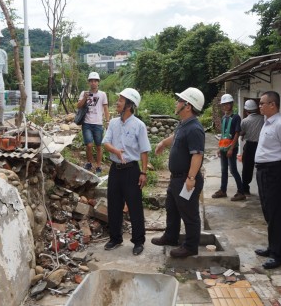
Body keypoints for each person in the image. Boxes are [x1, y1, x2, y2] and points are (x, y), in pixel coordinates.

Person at [152, 87, 205, 258]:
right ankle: (171, 236)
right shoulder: (183, 124)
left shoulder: (195, 128)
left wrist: (191, 178)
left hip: (186, 178)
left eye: (180, 101)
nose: (177, 103)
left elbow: (197, 155)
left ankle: (190, 246)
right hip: (177, 179)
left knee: (189, 213)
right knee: (172, 209)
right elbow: (175, 137)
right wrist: (162, 143)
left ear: (188, 106)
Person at [102, 88, 151, 256]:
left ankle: (138, 241)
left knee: (134, 206)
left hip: (132, 170)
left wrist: (143, 173)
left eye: (121, 101)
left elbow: (144, 151)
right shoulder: (113, 123)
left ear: (129, 105)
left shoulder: (139, 125)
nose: (118, 103)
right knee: (114, 204)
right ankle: (115, 238)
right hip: (115, 169)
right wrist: (116, 151)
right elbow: (106, 142)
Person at [254, 90, 281, 269]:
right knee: (267, 210)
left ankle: (279, 254)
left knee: (275, 212)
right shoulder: (267, 123)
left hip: (275, 172)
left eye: (262, 103)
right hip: (263, 171)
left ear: (273, 105)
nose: (260, 106)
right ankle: (273, 247)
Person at [212, 94, 244, 201]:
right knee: (223, 169)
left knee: (233, 170)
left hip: (231, 148)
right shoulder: (224, 118)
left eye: (227, 104)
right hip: (223, 148)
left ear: (231, 104)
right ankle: (223, 190)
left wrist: (231, 148)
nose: (225, 106)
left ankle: (241, 192)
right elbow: (223, 134)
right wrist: (219, 148)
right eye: (224, 104)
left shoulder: (236, 118)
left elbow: (237, 133)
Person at [77, 72, 109, 174]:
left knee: (99, 146)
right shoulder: (83, 93)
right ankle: (89, 163)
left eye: (95, 81)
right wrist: (85, 98)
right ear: (89, 82)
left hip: (98, 124)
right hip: (86, 123)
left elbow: (106, 108)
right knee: (89, 145)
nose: (93, 83)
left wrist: (107, 122)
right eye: (91, 81)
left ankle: (98, 166)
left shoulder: (102, 94)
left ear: (98, 82)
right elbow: (78, 106)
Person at [239, 99, 264, 196]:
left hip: (249, 146)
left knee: (247, 168)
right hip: (260, 146)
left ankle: (245, 188)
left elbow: (242, 132)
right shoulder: (263, 119)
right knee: (260, 167)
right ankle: (262, 189)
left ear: (246, 110)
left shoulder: (244, 121)